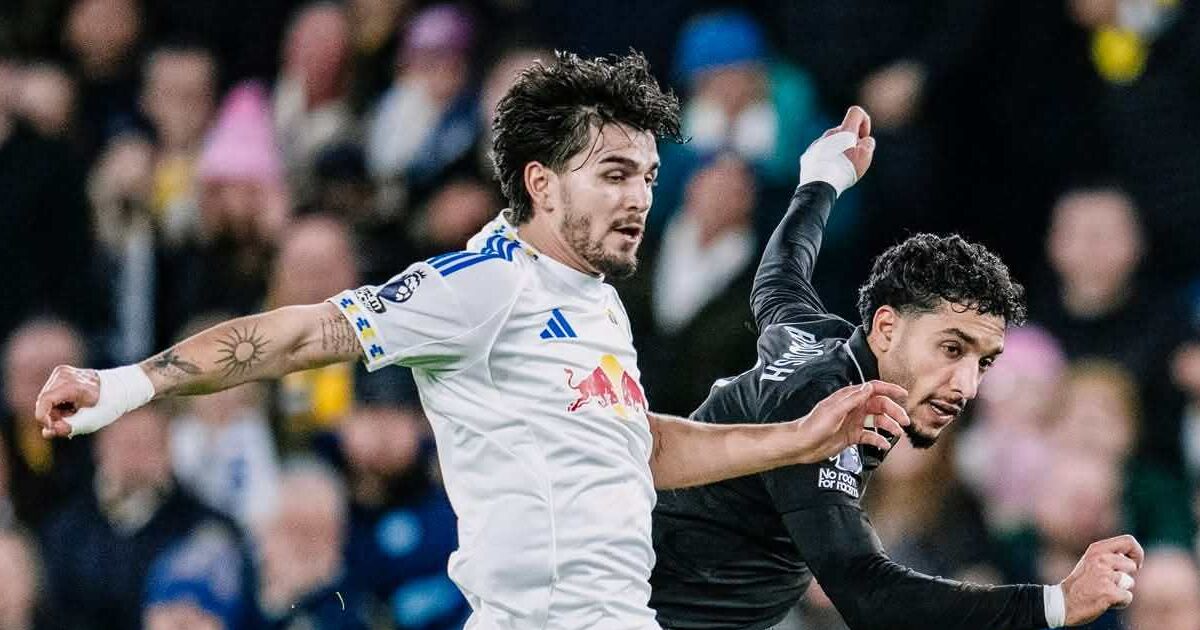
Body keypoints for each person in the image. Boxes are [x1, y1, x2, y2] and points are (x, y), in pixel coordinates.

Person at [34, 52, 906, 630]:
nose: (640, 197)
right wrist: (127, 385)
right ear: (541, 183)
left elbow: (637, 448)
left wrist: (800, 437)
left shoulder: (597, 304)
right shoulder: (484, 283)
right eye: (613, 174)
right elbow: (302, 333)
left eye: (646, 175)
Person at [648, 107, 1144, 630]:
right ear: (886, 328)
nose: (967, 387)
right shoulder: (825, 413)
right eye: (951, 349)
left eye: (983, 362)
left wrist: (822, 179)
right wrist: (1055, 603)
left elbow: (779, 277)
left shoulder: (815, 340)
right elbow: (869, 595)